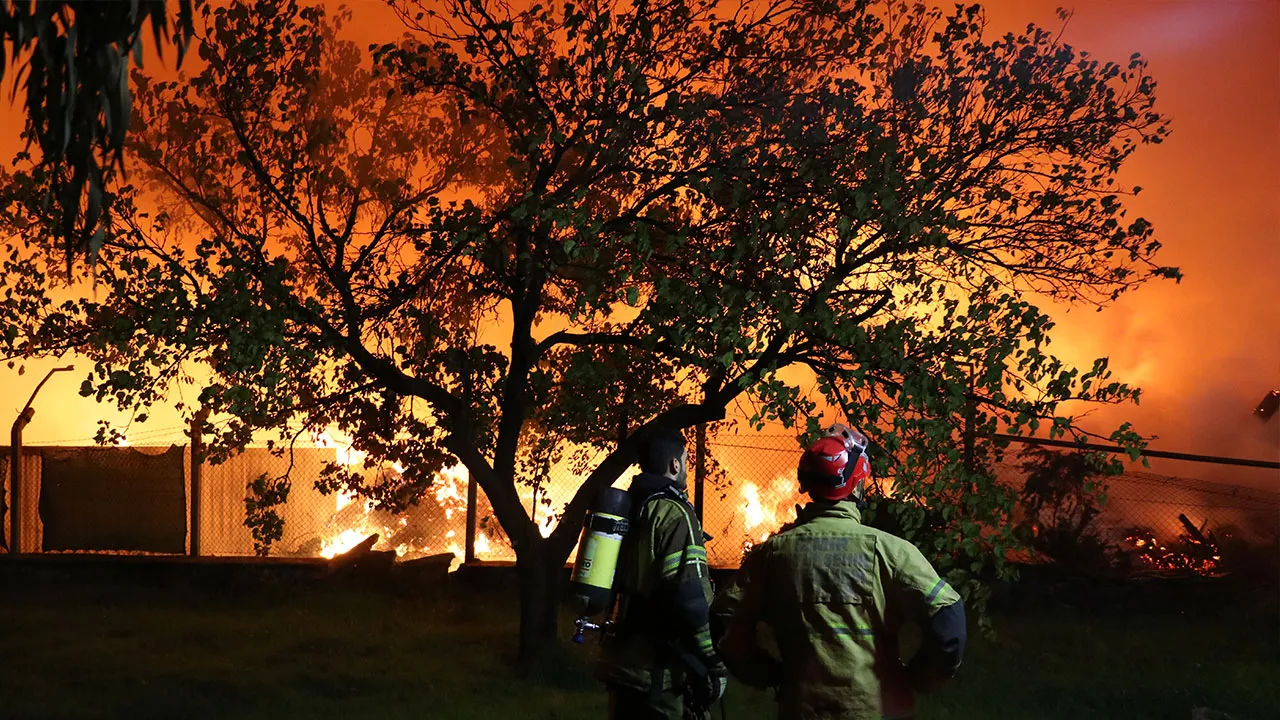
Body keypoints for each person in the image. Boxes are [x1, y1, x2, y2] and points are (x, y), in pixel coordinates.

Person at [710, 424, 966, 720]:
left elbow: (724, 618)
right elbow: (948, 617)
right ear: (857, 484)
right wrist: (920, 678)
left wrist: (765, 673)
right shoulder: (890, 552)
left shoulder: (774, 554)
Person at [598, 427, 727, 720]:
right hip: (657, 673)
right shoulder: (673, 513)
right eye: (685, 460)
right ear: (674, 465)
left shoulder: (629, 507)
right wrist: (712, 661)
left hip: (620, 664)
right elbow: (690, 599)